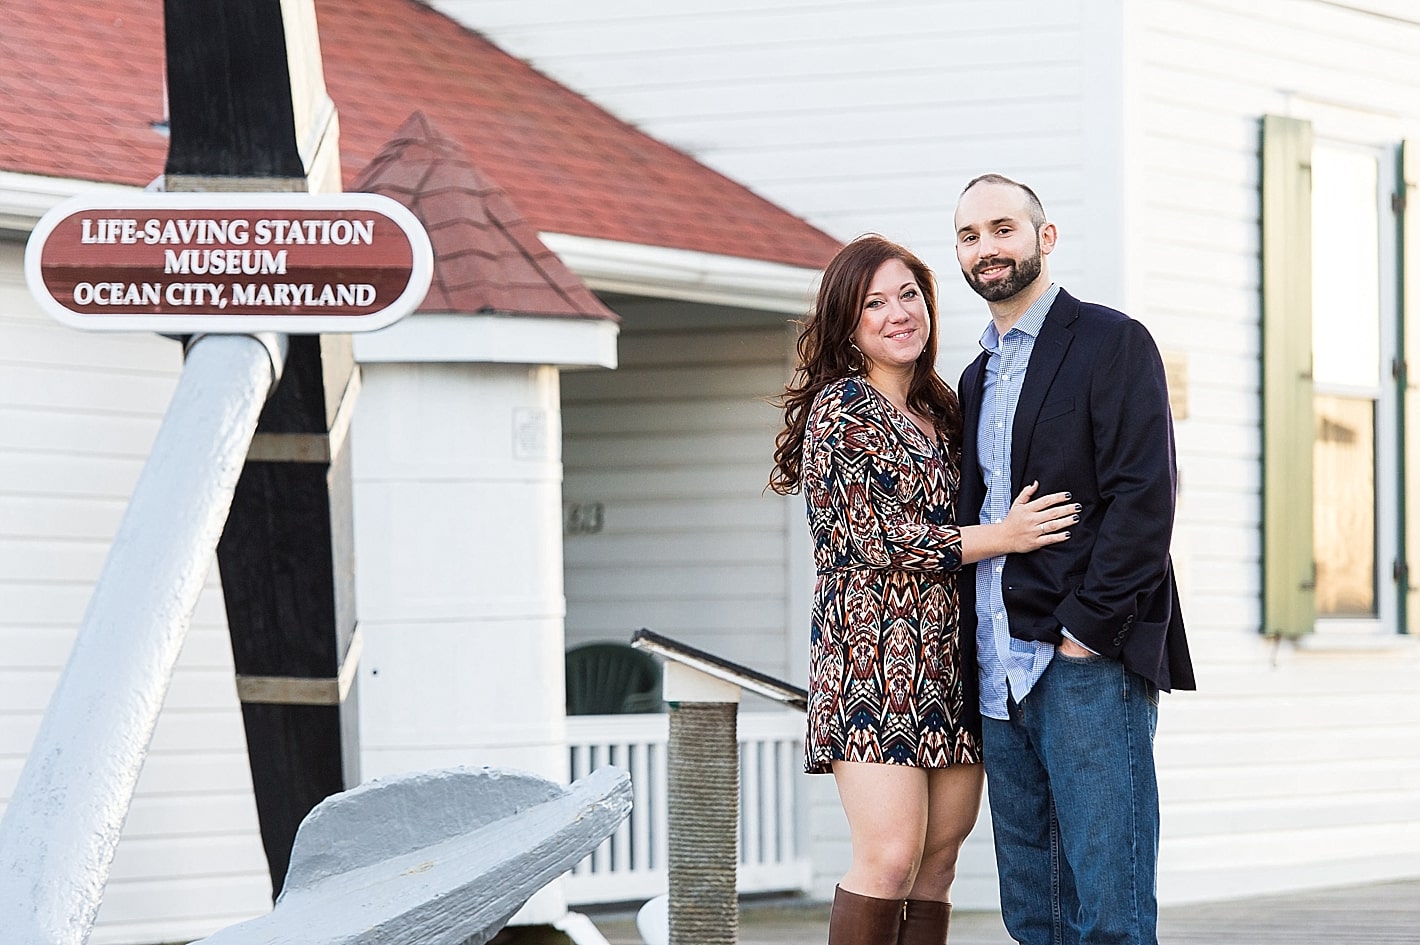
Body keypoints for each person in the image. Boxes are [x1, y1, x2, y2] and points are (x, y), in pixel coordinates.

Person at [770, 234, 1078, 945]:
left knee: (938, 861)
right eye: (874, 302)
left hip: (950, 662)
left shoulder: (944, 408)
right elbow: (872, 540)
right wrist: (1004, 535)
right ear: (849, 322)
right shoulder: (843, 409)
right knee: (888, 857)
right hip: (870, 661)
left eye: (908, 294)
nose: (897, 312)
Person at [952, 174, 1196, 945]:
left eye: (1002, 228)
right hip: (998, 675)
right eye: (969, 236)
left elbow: (1145, 501)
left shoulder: (1110, 342)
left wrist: (1085, 634)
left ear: (1043, 237)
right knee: (1035, 914)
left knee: (1111, 914)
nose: (987, 248)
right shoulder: (975, 376)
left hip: (1082, 665)